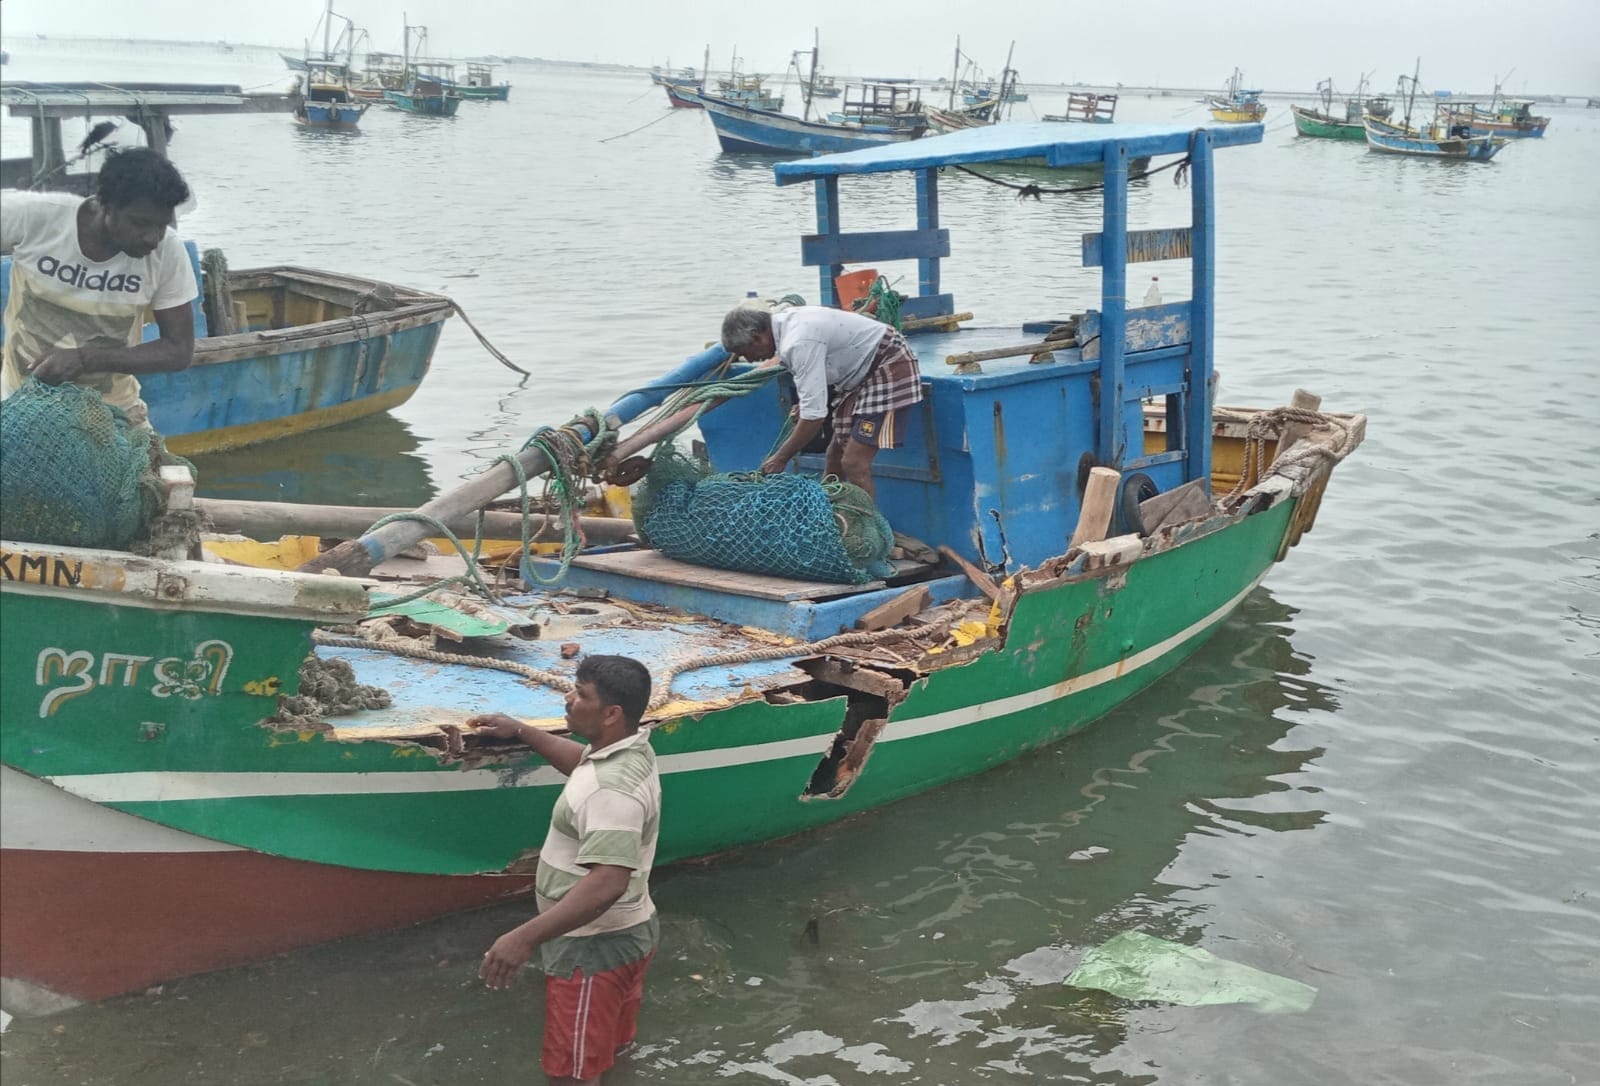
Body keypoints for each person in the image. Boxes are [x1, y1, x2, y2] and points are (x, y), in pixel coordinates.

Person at [472, 654, 660, 1086]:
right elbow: (582, 764)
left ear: (611, 714)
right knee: (609, 1050)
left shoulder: (611, 791)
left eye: (581, 695)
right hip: (629, 934)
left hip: (593, 949)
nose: (568, 699)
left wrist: (522, 938)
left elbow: (608, 881)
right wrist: (522, 731)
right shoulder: (629, 751)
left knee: (572, 1075)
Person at [1, 146, 198, 427]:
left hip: (113, 415)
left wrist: (86, 359)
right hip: (21, 405)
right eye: (140, 223)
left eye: (162, 225)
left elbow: (178, 350)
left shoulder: (167, 251)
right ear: (104, 204)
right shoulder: (37, 217)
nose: (152, 238)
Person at [720, 304, 923, 499]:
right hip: (856, 372)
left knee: (853, 462)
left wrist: (781, 458)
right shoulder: (784, 327)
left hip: (887, 362)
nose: (749, 360)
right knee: (834, 455)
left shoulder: (798, 341)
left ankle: (865, 519)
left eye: (745, 353)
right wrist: (806, 403)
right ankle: (826, 512)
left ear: (757, 337)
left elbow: (814, 418)